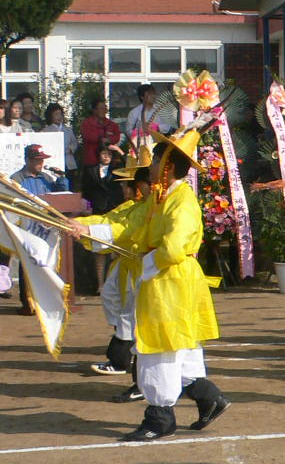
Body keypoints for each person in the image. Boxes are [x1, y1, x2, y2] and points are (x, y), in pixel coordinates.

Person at [108, 126, 229, 441]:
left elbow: (173, 247)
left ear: (168, 166)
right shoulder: (161, 198)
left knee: (160, 345)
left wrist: (148, 263)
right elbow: (129, 226)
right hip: (170, 279)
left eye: (155, 159)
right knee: (181, 345)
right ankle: (208, 397)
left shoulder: (181, 201)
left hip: (170, 280)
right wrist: (83, 228)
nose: (149, 165)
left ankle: (160, 417)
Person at [77, 161, 152, 380]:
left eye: (125, 186)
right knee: (114, 301)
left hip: (142, 267)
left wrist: (86, 229)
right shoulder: (131, 206)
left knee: (129, 313)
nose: (122, 190)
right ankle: (124, 353)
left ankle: (122, 359)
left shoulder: (147, 207)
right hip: (128, 265)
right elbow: (108, 220)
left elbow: (122, 229)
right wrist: (77, 224)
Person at [82, 142, 125, 215]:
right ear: (98, 155)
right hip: (97, 206)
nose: (106, 156)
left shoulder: (118, 169)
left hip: (115, 205)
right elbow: (86, 190)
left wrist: (119, 151)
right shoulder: (90, 170)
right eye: (104, 153)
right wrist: (87, 206)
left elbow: (129, 164)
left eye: (109, 154)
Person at [79, 97, 122, 169]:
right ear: (94, 110)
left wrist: (108, 140)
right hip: (92, 160)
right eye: (101, 108)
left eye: (105, 108)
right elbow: (87, 136)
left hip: (108, 161)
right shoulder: (87, 123)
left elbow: (117, 137)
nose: (104, 110)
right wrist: (101, 139)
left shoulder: (112, 124)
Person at [42, 103, 78, 177]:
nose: (59, 117)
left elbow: (74, 142)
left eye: (60, 114)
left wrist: (71, 149)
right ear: (50, 116)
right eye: (56, 114)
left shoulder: (68, 130)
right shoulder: (45, 131)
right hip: (54, 161)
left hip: (68, 160)